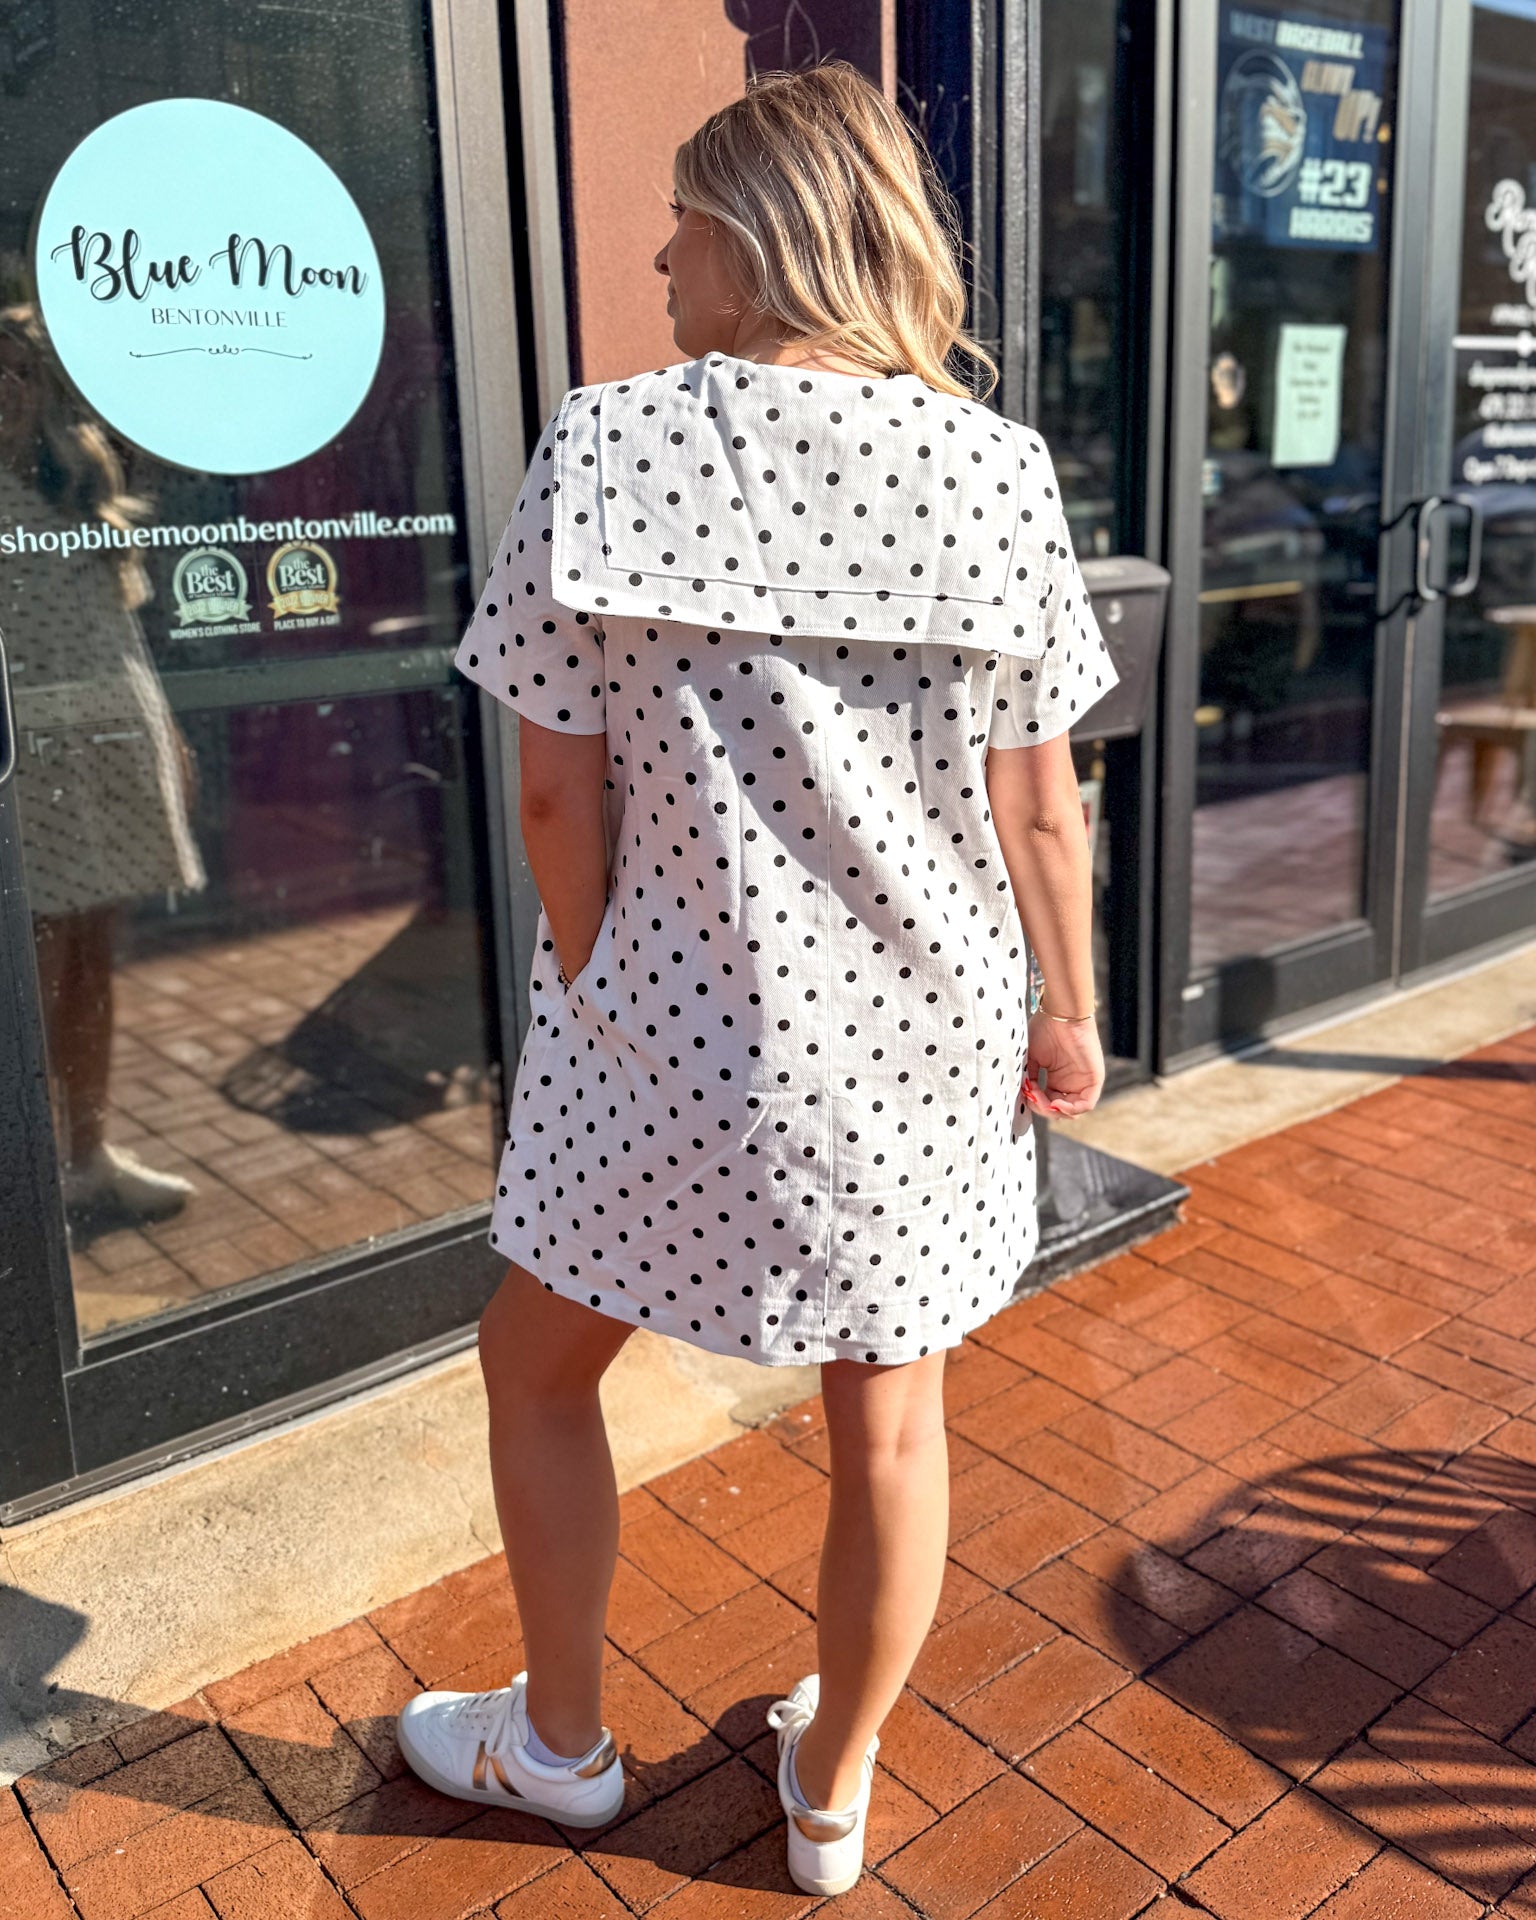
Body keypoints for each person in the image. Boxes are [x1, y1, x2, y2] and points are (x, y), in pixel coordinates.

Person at [397, 61, 1118, 1898]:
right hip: (928, 1034)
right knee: (891, 1420)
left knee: (537, 1364)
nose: (658, 261)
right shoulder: (999, 468)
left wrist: (596, 971)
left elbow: (557, 781)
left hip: (666, 1019)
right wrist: (1068, 1011)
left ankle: (557, 1745)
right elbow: (1039, 806)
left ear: (758, 235)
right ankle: (832, 1791)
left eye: (681, 232)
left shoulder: (611, 439)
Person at [0, 295, 206, 1237]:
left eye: (18, 369)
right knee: (34, 968)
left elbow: (118, 626)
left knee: (92, 957)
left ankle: (87, 1156)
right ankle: (32, 1174)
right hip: (27, 757)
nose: (6, 386)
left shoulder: (69, 478)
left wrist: (166, 735)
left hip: (111, 736)